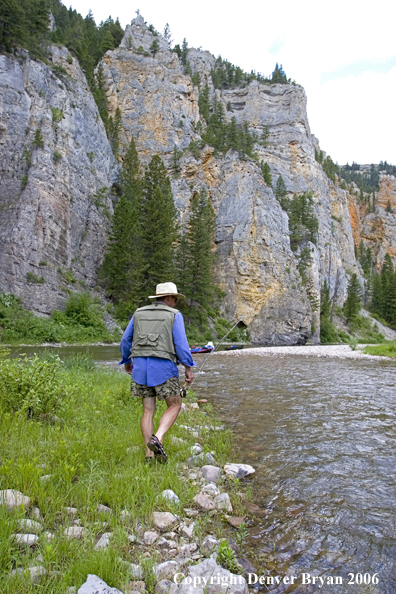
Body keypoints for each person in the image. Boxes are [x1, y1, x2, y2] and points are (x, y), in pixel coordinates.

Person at [120, 282, 196, 463]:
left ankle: (149, 455)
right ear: (168, 298)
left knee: (148, 410)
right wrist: (188, 367)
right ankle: (158, 438)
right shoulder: (174, 315)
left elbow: (125, 340)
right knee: (175, 404)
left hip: (140, 367)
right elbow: (181, 345)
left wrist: (127, 361)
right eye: (175, 299)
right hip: (163, 368)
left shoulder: (138, 313)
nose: (175, 303)